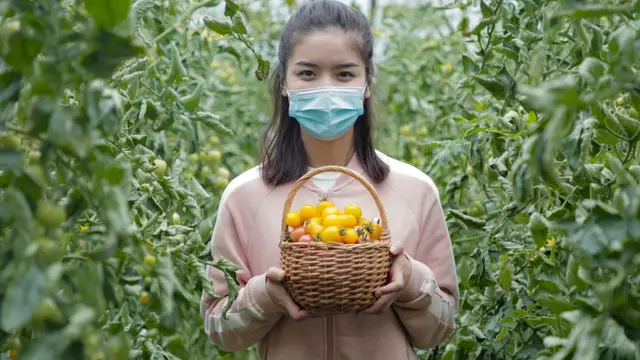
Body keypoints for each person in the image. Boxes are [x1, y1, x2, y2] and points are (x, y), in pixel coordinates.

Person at [200, 1, 459, 359]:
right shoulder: (244, 196)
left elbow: (442, 327)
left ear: (367, 82)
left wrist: (410, 281)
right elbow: (218, 326)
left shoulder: (414, 190)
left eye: (344, 74)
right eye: (307, 73)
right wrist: (265, 296)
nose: (326, 88)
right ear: (284, 84)